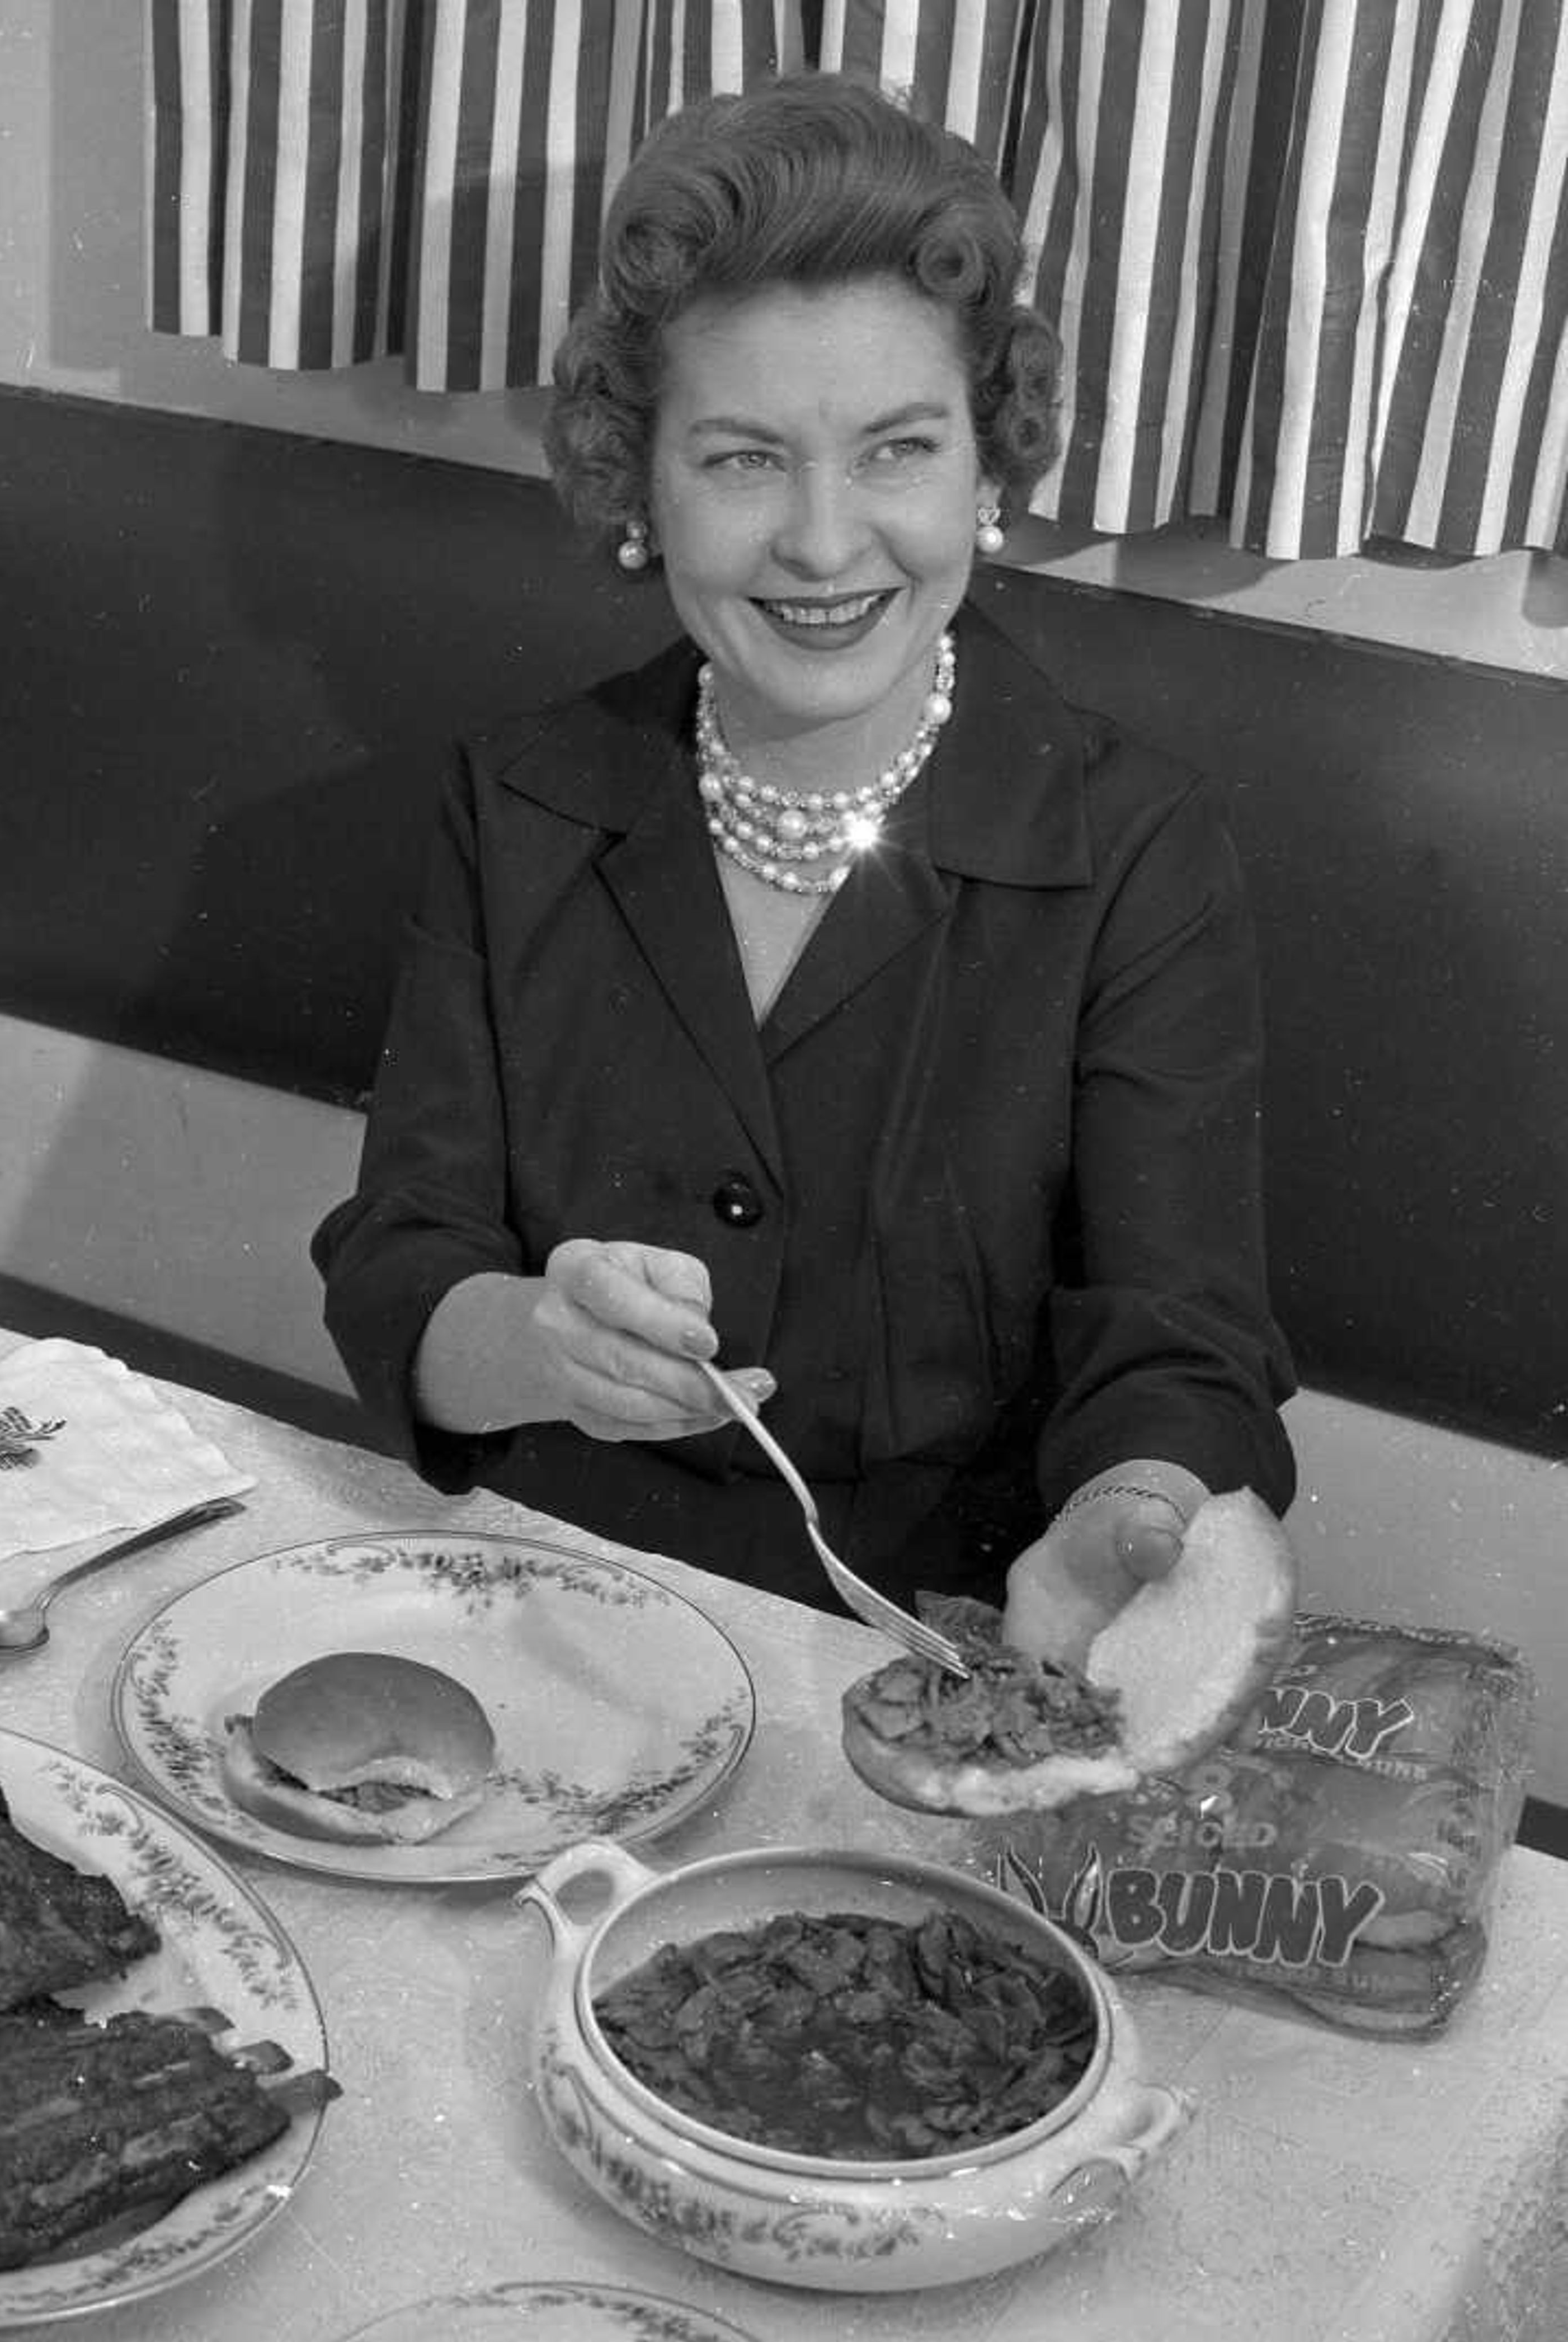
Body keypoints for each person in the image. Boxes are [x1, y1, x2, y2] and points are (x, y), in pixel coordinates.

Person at [312, 71, 1296, 1664]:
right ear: (641, 488)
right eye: (745, 459)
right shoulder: (518, 800)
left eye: (898, 450)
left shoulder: (1139, 846)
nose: (828, 546)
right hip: (557, 1621)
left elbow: (1179, 1341)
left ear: (990, 473)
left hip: (939, 1651)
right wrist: (540, 1349)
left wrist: (1131, 1531)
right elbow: (402, 1264)